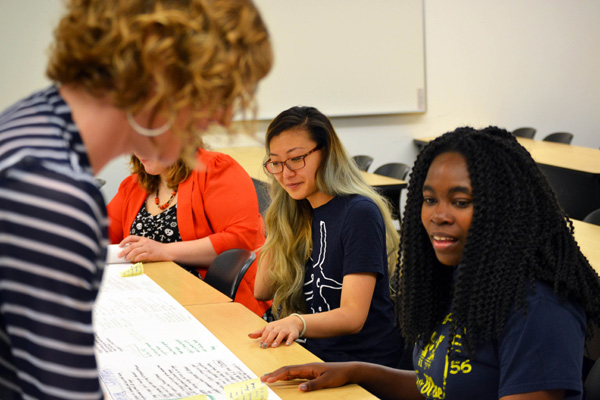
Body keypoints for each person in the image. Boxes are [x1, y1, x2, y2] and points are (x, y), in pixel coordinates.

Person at [0, 0, 272, 398]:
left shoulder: (26, 131)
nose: (224, 118)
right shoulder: (52, 195)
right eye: (217, 94)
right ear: (160, 74)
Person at [259, 126, 600, 400]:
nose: (438, 215)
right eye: (428, 199)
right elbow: (438, 385)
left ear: (506, 208)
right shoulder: (462, 279)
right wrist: (357, 373)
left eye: (460, 201)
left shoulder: (539, 310)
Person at [249, 106, 403, 368]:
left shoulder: (358, 213)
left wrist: (298, 321)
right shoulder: (299, 210)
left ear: (327, 153)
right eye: (276, 162)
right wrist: (279, 219)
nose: (286, 173)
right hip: (312, 356)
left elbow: (353, 316)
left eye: (296, 159)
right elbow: (262, 289)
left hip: (359, 366)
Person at [107, 150, 271, 316]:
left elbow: (240, 241)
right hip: (149, 303)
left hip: (213, 308)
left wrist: (163, 251)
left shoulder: (215, 169)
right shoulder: (134, 184)